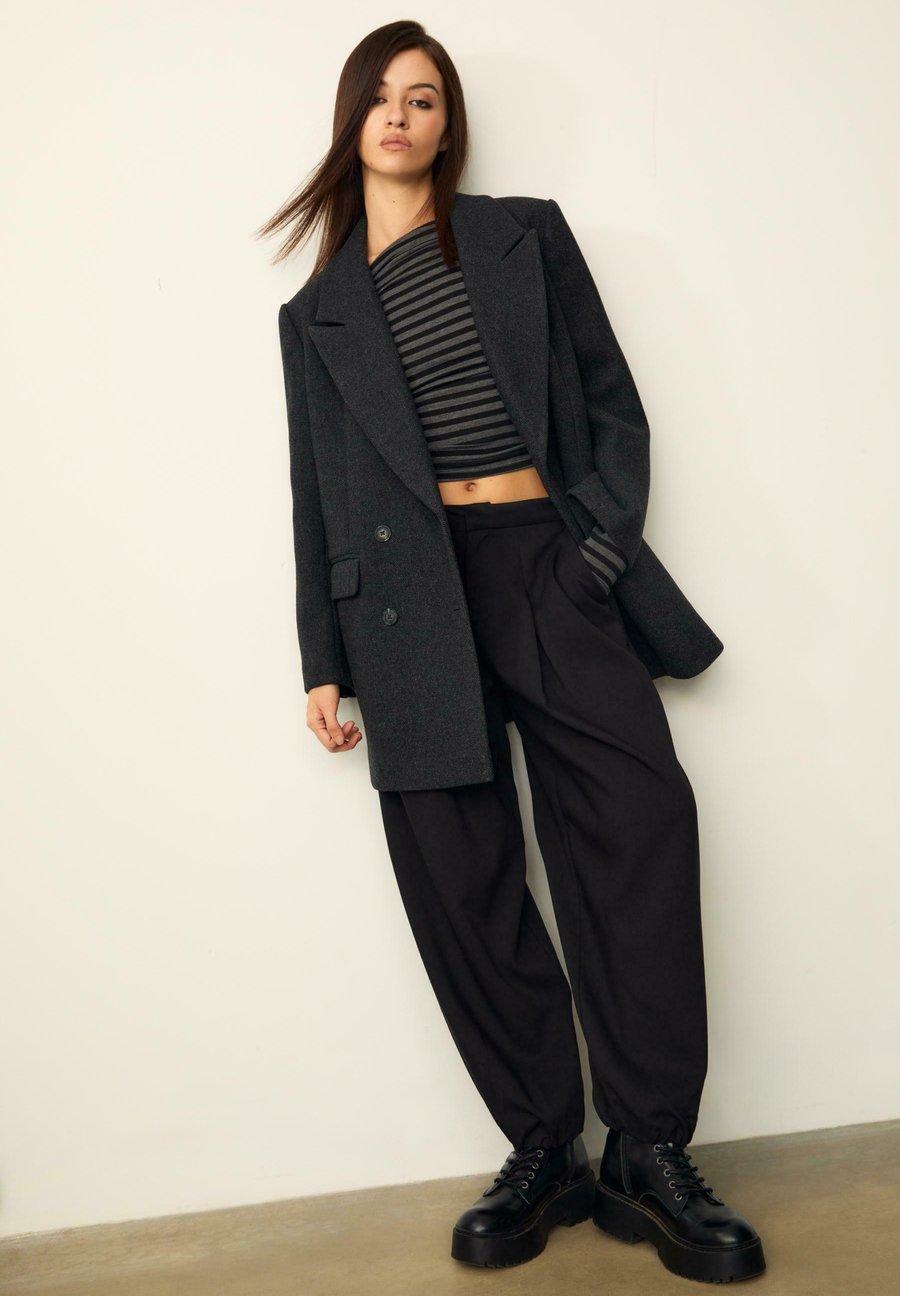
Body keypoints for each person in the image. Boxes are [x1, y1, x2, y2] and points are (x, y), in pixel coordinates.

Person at [260, 20, 766, 1285]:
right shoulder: (316, 314)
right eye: (380, 97)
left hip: (547, 564)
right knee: (461, 871)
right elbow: (314, 493)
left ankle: (648, 1147)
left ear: (449, 125)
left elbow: (610, 402)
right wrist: (323, 655)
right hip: (404, 604)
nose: (400, 116)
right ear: (350, 122)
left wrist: (592, 553)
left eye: (423, 98)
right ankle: (545, 1145)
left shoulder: (521, 234)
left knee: (638, 821)